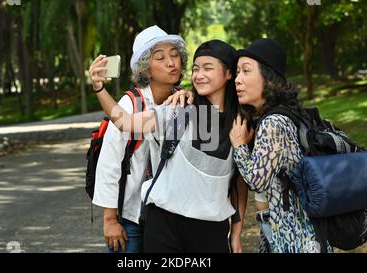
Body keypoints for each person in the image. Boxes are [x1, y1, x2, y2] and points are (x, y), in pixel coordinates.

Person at [89, 39, 248, 253]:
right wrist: (99, 88)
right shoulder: (178, 109)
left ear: (229, 73)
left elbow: (239, 182)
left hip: (211, 230)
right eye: (196, 69)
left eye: (208, 68)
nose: (199, 74)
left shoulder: (240, 123)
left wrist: (236, 233)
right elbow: (125, 122)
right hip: (164, 225)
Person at [91, 25, 188, 253]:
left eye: (174, 55)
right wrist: (110, 220)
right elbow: (109, 162)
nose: (171, 62)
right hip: (130, 216)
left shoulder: (181, 101)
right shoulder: (130, 105)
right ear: (146, 69)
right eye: (160, 57)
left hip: (167, 216)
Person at [229, 38, 324, 253]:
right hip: (292, 227)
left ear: (269, 78)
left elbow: (256, 181)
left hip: (294, 233)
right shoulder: (285, 114)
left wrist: (238, 145)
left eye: (246, 71)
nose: (237, 79)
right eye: (236, 72)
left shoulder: (273, 123)